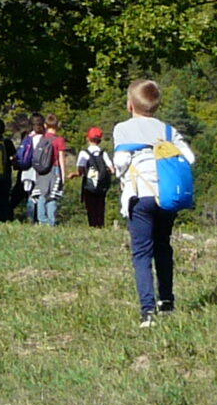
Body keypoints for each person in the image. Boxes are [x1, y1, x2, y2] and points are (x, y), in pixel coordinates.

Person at [112, 78, 195, 327]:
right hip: (166, 195)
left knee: (141, 252)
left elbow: (120, 161)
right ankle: (167, 300)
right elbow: (189, 157)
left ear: (130, 105)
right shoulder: (168, 130)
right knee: (163, 246)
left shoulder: (123, 129)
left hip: (140, 195)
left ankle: (147, 310)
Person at [76, 126, 114, 228]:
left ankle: (92, 225)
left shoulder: (84, 153)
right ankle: (100, 225)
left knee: (91, 207)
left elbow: (80, 171)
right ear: (100, 140)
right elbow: (112, 169)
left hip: (89, 184)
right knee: (100, 206)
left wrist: (74, 175)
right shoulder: (103, 153)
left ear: (87, 138)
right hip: (101, 185)